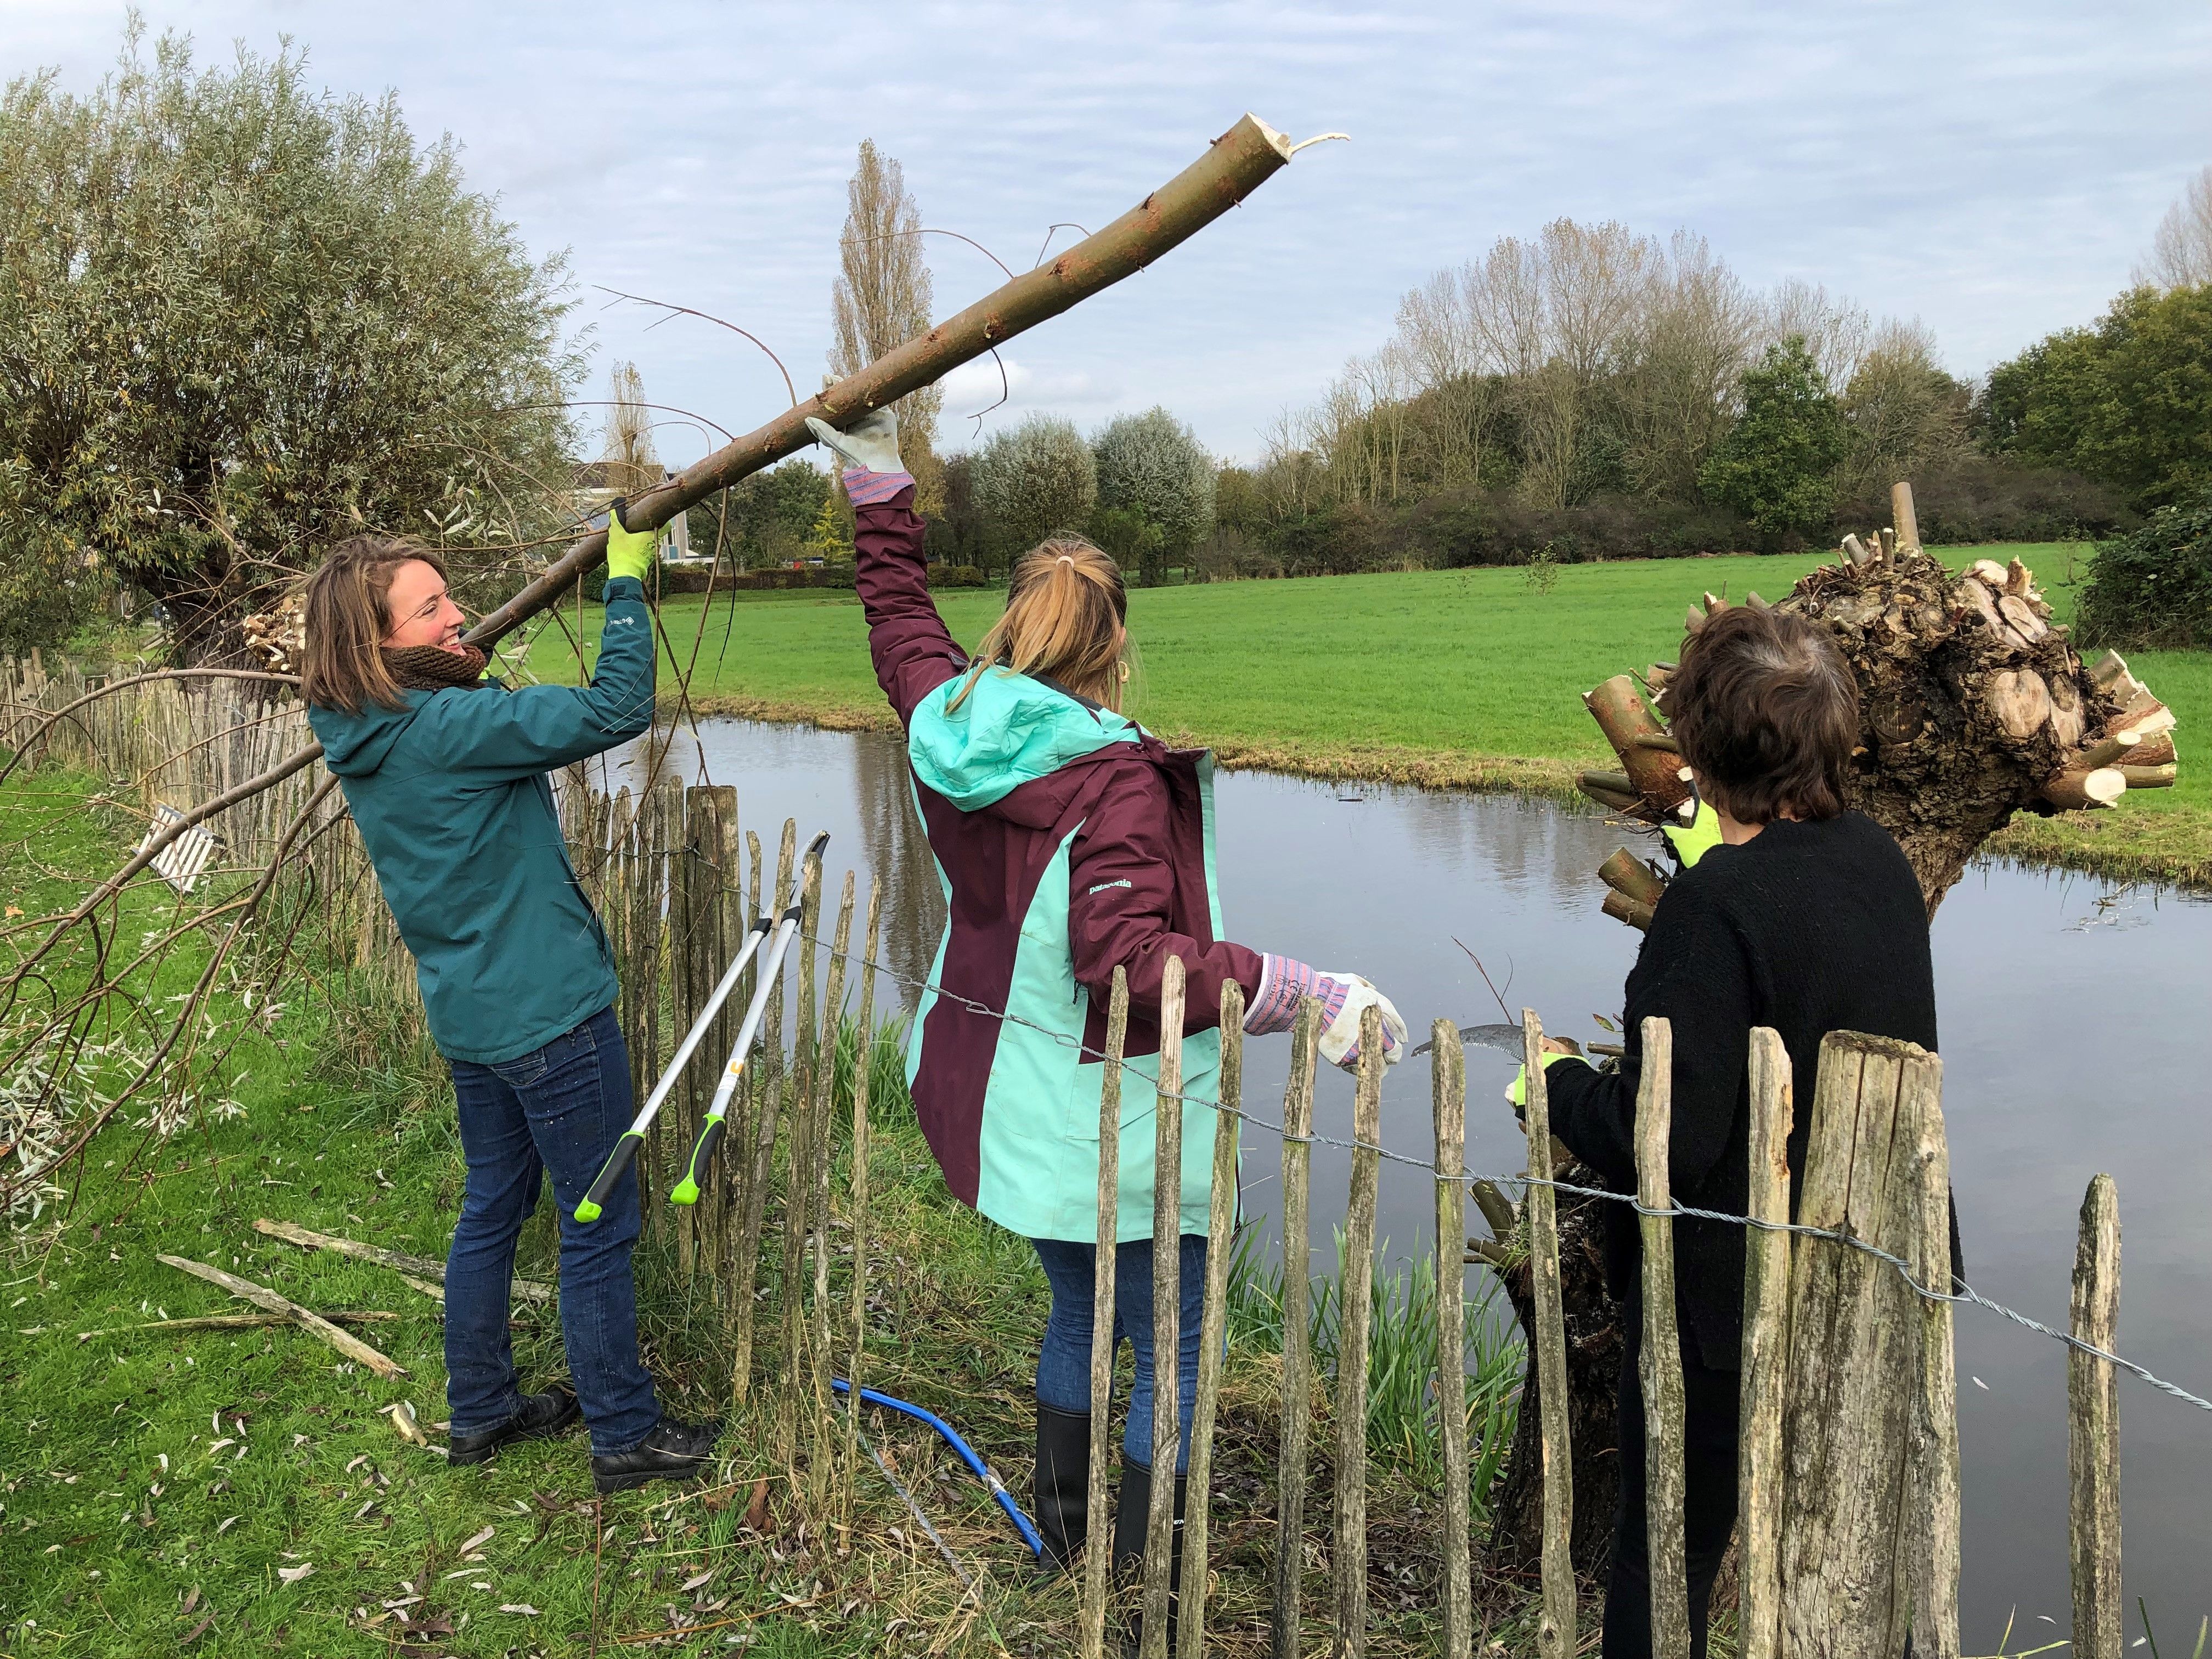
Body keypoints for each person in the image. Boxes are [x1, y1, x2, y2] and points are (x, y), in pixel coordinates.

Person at [810, 405, 1405, 1632]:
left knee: (1079, 1313)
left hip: (1008, 1098)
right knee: (1172, 1348)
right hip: (1114, 1117)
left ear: (1013, 627)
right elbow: (1128, 962)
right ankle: (1144, 1592)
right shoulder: (1114, 770)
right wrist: (1305, 990)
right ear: (1119, 641)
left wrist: (881, 491)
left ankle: (1066, 1545)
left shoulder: (957, 725)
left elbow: (901, 633)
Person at [1520, 605, 1945, 1659]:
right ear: (1831, 736)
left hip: (1732, 1298)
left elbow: (1667, 1135)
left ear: (1696, 745)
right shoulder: (1879, 861)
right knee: (1827, 1547)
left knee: (1668, 1553)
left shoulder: (1712, 908)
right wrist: (1725, 862)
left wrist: (1556, 1086)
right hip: (1864, 1262)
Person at [301, 510, 719, 1495]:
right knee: (597, 1218)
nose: (456, 615)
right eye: (430, 608)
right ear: (376, 644)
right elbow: (619, 708)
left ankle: (482, 1408)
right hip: (549, 1014)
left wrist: (454, 658)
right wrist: (624, 584)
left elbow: (461, 716)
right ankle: (624, 1432)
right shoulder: (448, 729)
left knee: (493, 1205)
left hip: (470, 1015)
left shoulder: (367, 729)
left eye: (450, 595)